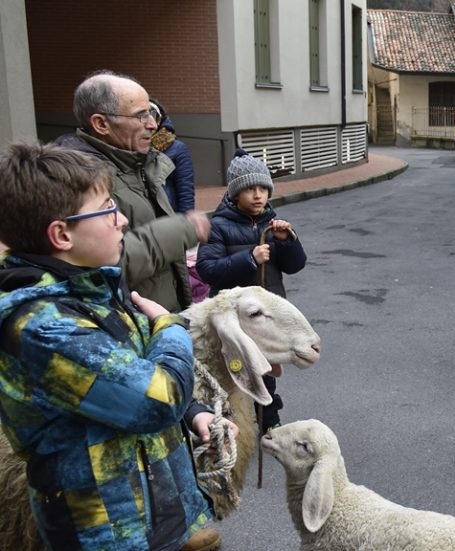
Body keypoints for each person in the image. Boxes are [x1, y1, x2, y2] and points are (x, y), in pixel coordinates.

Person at [0, 143, 226, 551]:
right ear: (62, 234)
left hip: (159, 517)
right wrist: (170, 325)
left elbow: (129, 372)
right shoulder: (42, 327)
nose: (122, 220)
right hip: (110, 534)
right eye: (107, 209)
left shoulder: (94, 287)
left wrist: (192, 412)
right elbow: (158, 399)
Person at [55, 70, 210, 313]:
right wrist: (180, 231)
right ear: (101, 124)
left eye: (151, 112)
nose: (152, 124)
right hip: (129, 327)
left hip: (163, 319)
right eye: (140, 116)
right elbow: (98, 267)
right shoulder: (76, 179)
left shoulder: (140, 162)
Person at [196, 149, 307, 431]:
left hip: (265, 318)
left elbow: (295, 266)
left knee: (265, 371)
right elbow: (207, 268)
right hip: (236, 317)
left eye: (263, 189)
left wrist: (287, 242)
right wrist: (249, 258)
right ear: (235, 194)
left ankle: (268, 422)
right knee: (234, 369)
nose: (258, 195)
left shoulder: (273, 225)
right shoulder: (218, 226)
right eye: (249, 189)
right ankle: (231, 422)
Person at [149, 98, 197, 213]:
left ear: (159, 120)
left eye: (152, 115)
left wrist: (184, 223)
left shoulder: (177, 148)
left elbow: (185, 192)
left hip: (168, 215)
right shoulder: (130, 146)